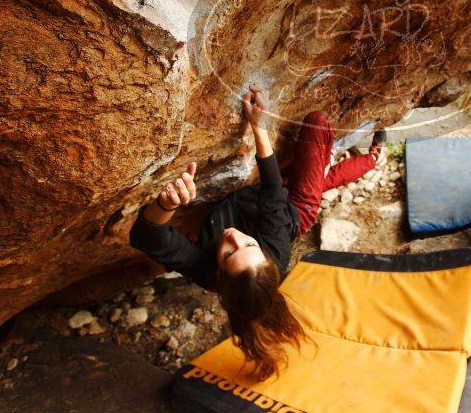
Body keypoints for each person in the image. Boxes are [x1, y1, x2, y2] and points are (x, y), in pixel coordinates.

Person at [129, 84, 384, 380]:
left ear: (218, 273)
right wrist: (258, 127)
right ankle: (369, 159)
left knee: (318, 179)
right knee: (317, 123)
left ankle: (340, 170)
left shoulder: (204, 270)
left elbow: (150, 239)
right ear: (265, 254)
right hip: (293, 212)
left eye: (229, 252)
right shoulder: (275, 246)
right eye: (249, 245)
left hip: (263, 207)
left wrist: (166, 204)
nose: (234, 236)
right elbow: (273, 190)